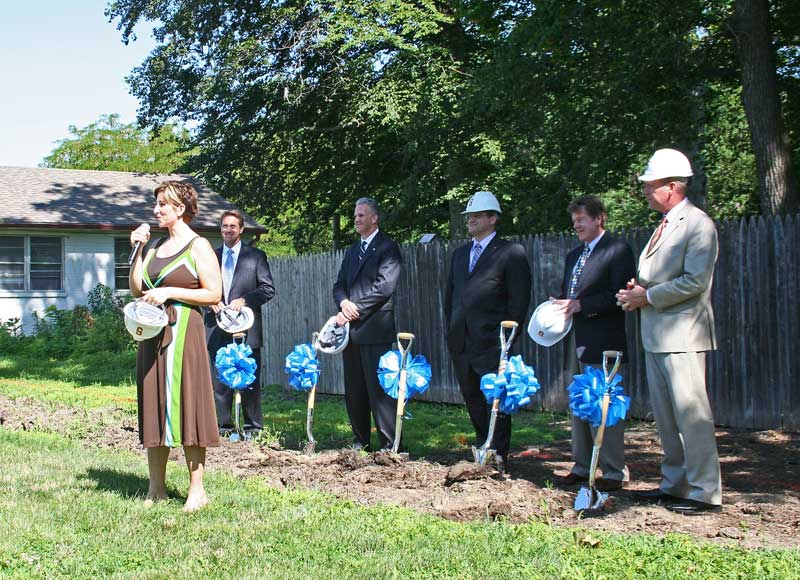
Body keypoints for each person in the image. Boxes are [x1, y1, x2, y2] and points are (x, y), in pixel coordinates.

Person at [616, 148, 722, 515]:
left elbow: (695, 281)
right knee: (667, 417)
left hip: (684, 336)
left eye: (651, 184)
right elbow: (658, 276)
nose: (646, 190)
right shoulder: (663, 225)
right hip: (658, 335)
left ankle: (705, 491)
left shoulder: (698, 224)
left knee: (692, 415)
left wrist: (648, 296)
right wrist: (637, 292)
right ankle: (675, 483)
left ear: (673, 186)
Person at [129, 181, 222, 512]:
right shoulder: (153, 246)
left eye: (162, 205)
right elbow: (138, 288)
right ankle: (156, 488)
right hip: (152, 334)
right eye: (155, 205)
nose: (156, 211)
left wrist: (170, 292)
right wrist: (138, 251)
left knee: (189, 404)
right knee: (156, 403)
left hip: (186, 333)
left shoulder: (199, 247)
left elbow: (213, 294)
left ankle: (198, 490)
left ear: (180, 209)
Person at [550, 195, 635, 492]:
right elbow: (570, 292)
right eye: (574, 221)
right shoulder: (575, 254)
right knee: (579, 403)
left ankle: (613, 471)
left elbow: (619, 295)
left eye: (581, 219)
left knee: (604, 404)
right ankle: (582, 465)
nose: (576, 225)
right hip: (576, 338)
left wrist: (580, 305)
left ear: (599, 218)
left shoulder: (617, 250)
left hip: (604, 340)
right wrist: (560, 305)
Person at [444, 191, 532, 475]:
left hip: (493, 343)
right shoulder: (459, 255)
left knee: (496, 399)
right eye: (469, 216)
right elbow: (451, 297)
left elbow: (518, 302)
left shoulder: (510, 253)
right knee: (471, 396)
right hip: (462, 341)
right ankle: (482, 446)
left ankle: (498, 454)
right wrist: (452, 330)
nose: (470, 220)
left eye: (477, 216)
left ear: (493, 219)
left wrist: (508, 341)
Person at [332, 197, 402, 451]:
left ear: (374, 218)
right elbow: (339, 285)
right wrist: (343, 304)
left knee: (380, 390)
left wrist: (355, 308)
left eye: (361, 215)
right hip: (350, 332)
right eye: (355, 215)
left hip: (375, 329)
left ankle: (390, 444)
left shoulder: (388, 248)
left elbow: (384, 287)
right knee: (355, 389)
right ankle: (360, 441)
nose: (356, 219)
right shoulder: (352, 251)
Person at [205, 210, 275, 439]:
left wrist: (245, 299)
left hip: (247, 328)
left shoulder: (255, 256)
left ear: (241, 229)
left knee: (249, 380)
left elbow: (267, 289)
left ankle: (253, 428)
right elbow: (198, 287)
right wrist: (210, 301)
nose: (228, 230)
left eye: (233, 226)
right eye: (224, 226)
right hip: (217, 328)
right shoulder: (210, 257)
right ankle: (223, 428)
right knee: (220, 382)